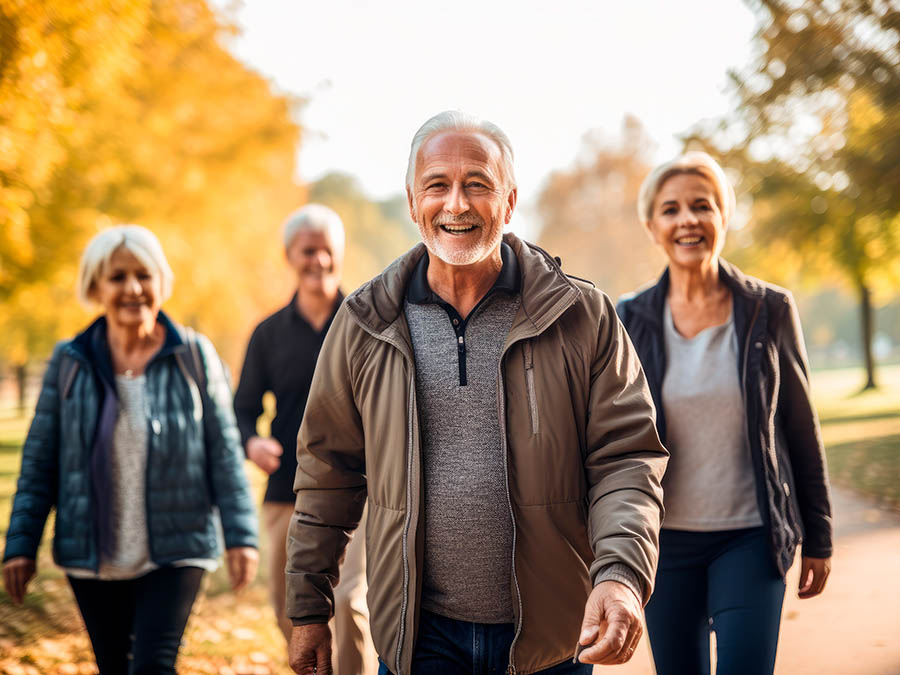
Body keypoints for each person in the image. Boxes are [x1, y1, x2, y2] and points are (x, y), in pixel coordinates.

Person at [284, 110, 669, 675]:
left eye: (478, 185)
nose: (456, 204)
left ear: (509, 202)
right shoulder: (365, 322)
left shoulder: (581, 315)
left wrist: (620, 575)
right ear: (414, 202)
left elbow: (627, 458)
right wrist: (308, 608)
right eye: (437, 185)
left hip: (552, 637)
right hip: (419, 635)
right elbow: (327, 471)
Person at [2, 225, 259, 675]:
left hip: (177, 546)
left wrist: (242, 537)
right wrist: (21, 543)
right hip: (94, 552)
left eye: (143, 275)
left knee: (153, 666)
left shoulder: (193, 356)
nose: (133, 288)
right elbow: (39, 461)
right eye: (117, 277)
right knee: (113, 667)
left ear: (160, 281)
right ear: (95, 286)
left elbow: (224, 452)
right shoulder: (70, 362)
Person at [616, 152, 834, 675]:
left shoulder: (769, 308)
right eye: (671, 210)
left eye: (702, 206)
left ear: (723, 217)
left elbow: (800, 428)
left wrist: (819, 535)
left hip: (751, 537)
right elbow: (611, 437)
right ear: (652, 227)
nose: (687, 219)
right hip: (663, 542)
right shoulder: (629, 318)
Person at [233, 204, 375, 674]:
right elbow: (243, 411)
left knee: (348, 599)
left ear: (340, 253)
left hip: (356, 492)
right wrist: (252, 442)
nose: (317, 260)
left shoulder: (367, 325)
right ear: (290, 256)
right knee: (291, 610)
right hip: (285, 494)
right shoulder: (268, 335)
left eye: (325, 250)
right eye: (307, 250)